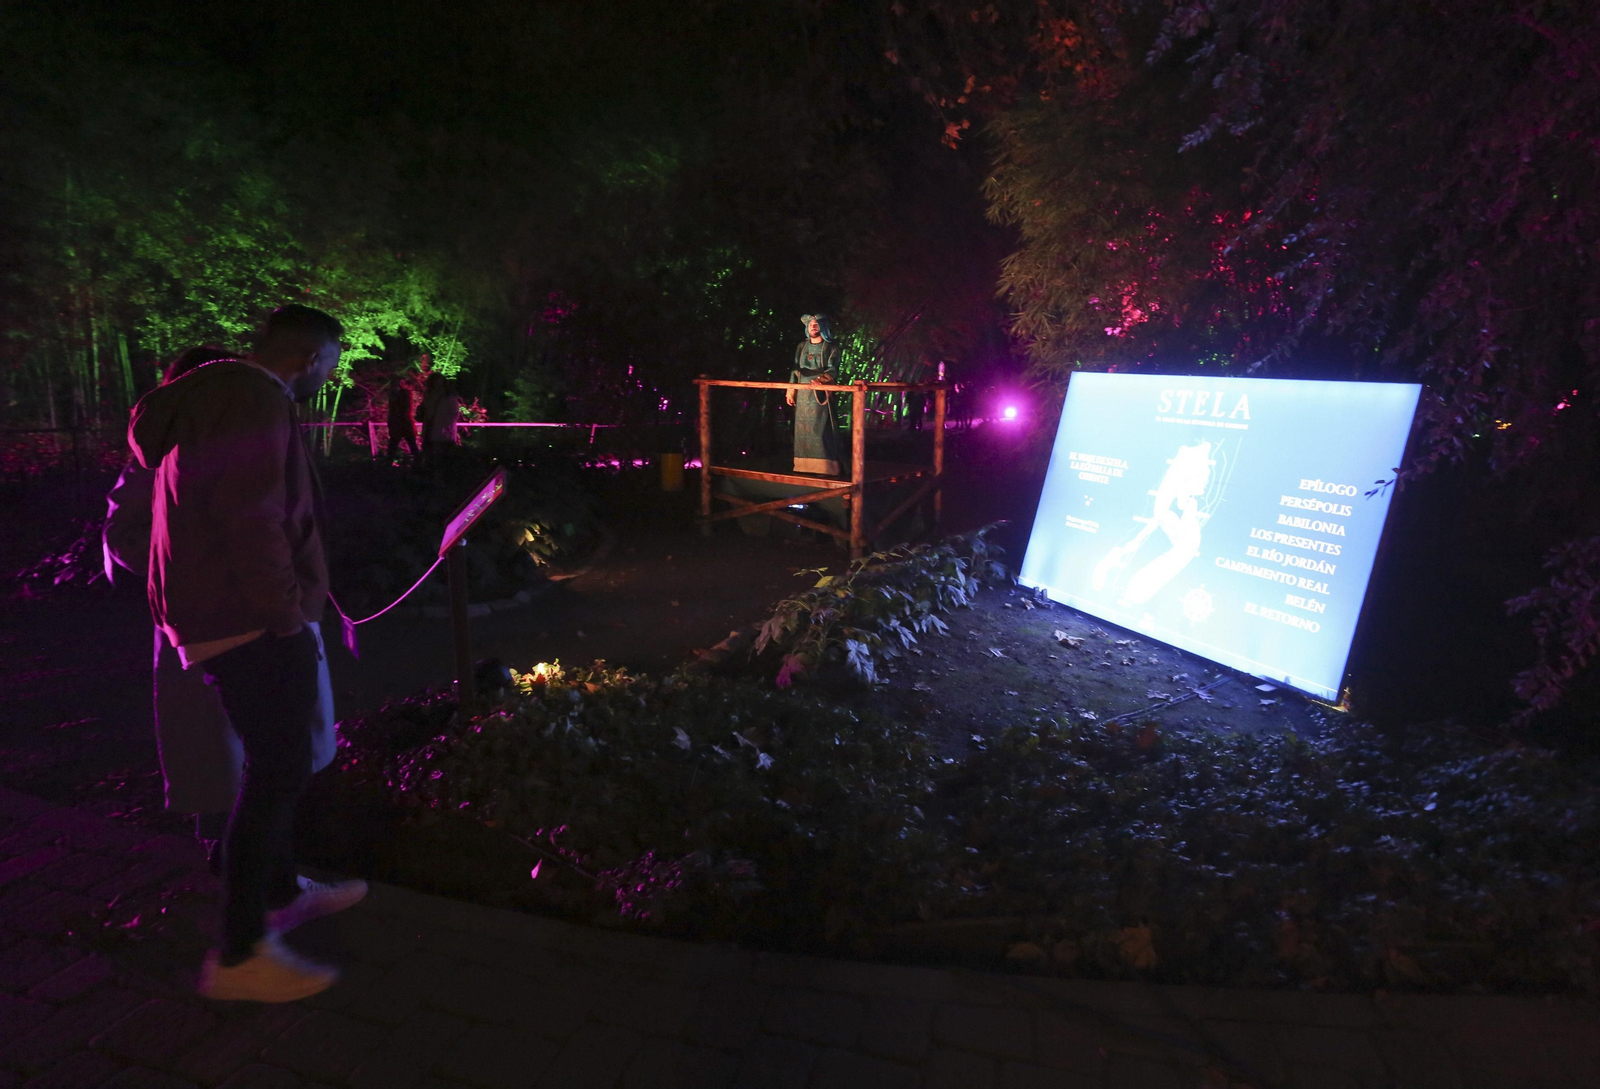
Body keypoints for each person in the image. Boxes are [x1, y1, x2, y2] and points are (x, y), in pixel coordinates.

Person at [127, 305, 365, 1002]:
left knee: (272, 766)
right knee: (277, 771)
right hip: (249, 620)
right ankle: (240, 954)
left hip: (220, 614)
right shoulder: (253, 398)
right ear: (312, 356)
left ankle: (281, 894)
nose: (329, 378)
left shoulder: (213, 396)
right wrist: (287, 618)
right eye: (332, 365)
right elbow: (252, 518)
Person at [103, 346, 339, 875]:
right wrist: (198, 569)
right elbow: (125, 533)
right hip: (213, 619)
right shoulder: (163, 456)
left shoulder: (226, 437)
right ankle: (243, 868)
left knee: (267, 748)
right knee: (224, 748)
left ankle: (265, 866)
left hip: (254, 607)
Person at [787, 313, 841, 475]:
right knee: (803, 430)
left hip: (820, 392)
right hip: (803, 393)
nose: (813, 327)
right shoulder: (801, 347)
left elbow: (833, 369)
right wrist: (791, 390)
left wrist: (821, 381)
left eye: (816, 324)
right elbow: (795, 369)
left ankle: (825, 468)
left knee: (821, 429)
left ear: (822, 327)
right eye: (810, 324)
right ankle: (803, 466)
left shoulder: (831, 347)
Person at [420, 373, 462, 467]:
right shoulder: (429, 396)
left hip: (443, 431)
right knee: (432, 458)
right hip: (431, 429)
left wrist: (445, 425)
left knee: (442, 459)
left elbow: (454, 414)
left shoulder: (449, 398)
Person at [384, 383, 418, 463]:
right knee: (412, 445)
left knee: (393, 445)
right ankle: (418, 462)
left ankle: (388, 464)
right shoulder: (404, 398)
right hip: (404, 423)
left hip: (397, 423)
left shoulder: (395, 402)